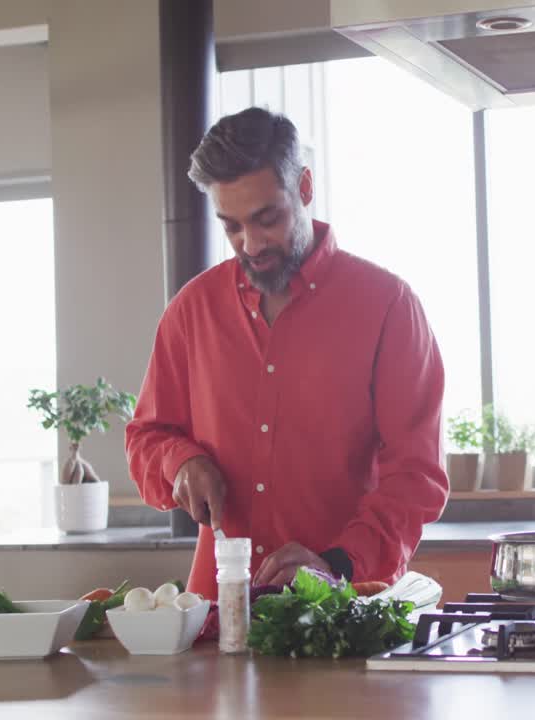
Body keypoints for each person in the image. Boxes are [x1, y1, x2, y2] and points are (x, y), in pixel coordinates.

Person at [125, 107, 449, 599]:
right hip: (217, 612)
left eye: (267, 218)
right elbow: (146, 438)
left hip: (341, 612)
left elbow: (416, 475)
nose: (251, 243)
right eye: (231, 226)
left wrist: (335, 564)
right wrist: (180, 461)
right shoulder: (192, 309)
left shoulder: (388, 305)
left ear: (304, 187)